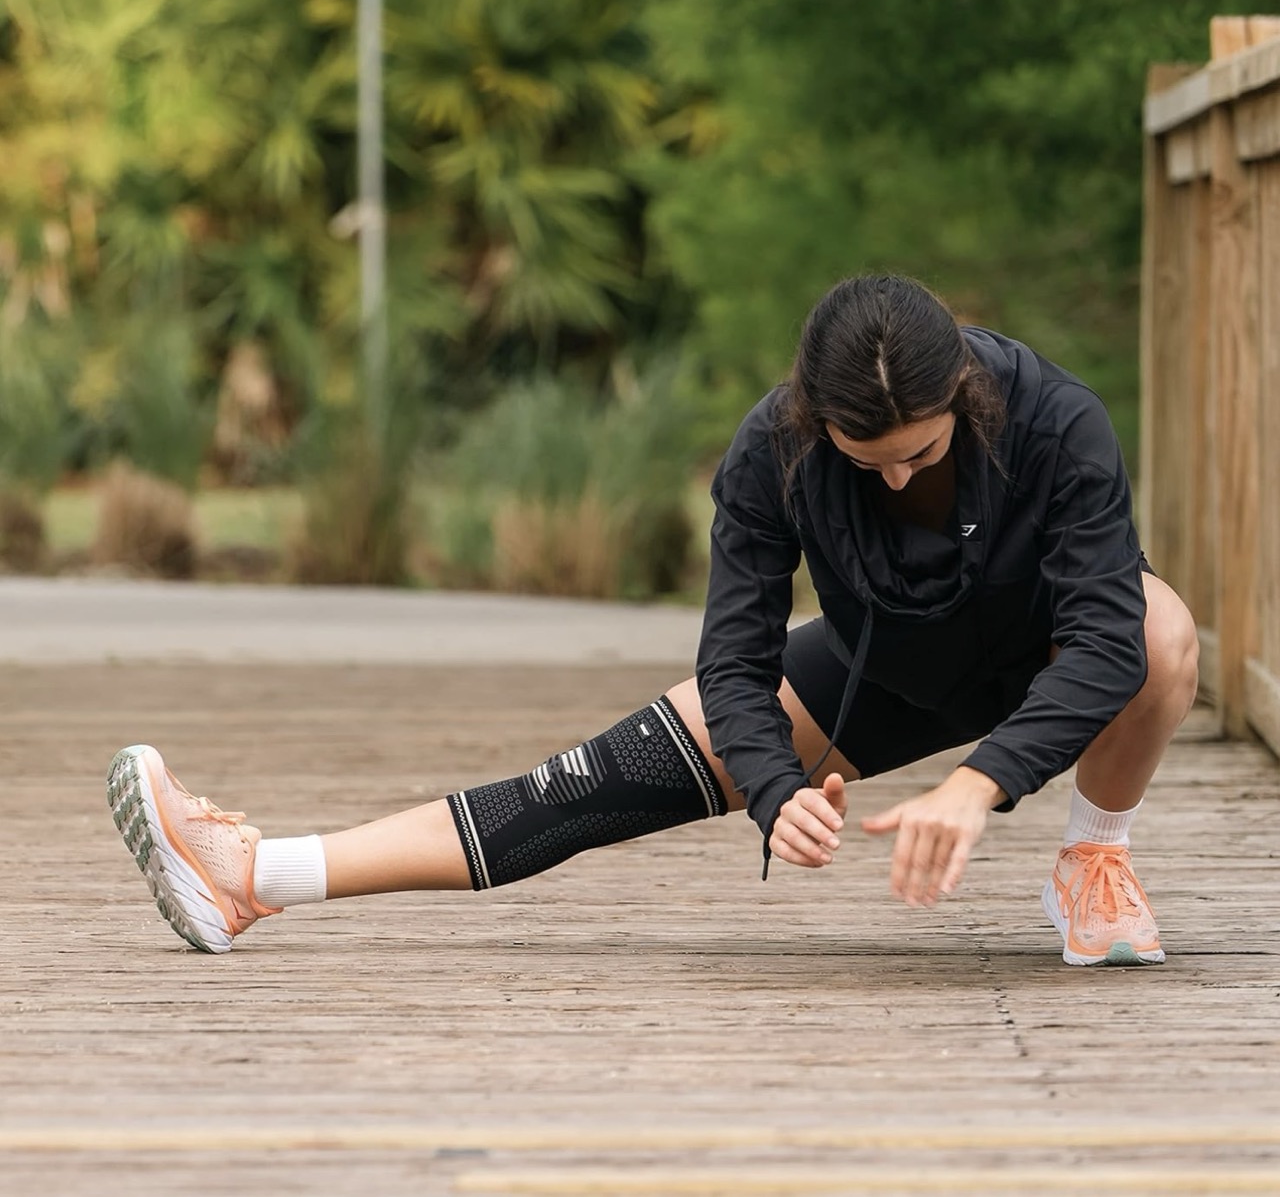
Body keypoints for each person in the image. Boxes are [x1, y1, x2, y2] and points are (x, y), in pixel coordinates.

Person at [106, 274, 1199, 966]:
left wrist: (975, 784)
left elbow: (1103, 636)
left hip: (1056, 664)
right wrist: (771, 792)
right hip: (886, 667)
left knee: (1158, 636)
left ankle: (1094, 863)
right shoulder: (770, 450)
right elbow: (732, 655)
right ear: (819, 426)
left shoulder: (1055, 420)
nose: (900, 473)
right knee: (573, 791)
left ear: (960, 391)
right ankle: (249, 878)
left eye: (921, 450)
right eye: (871, 463)